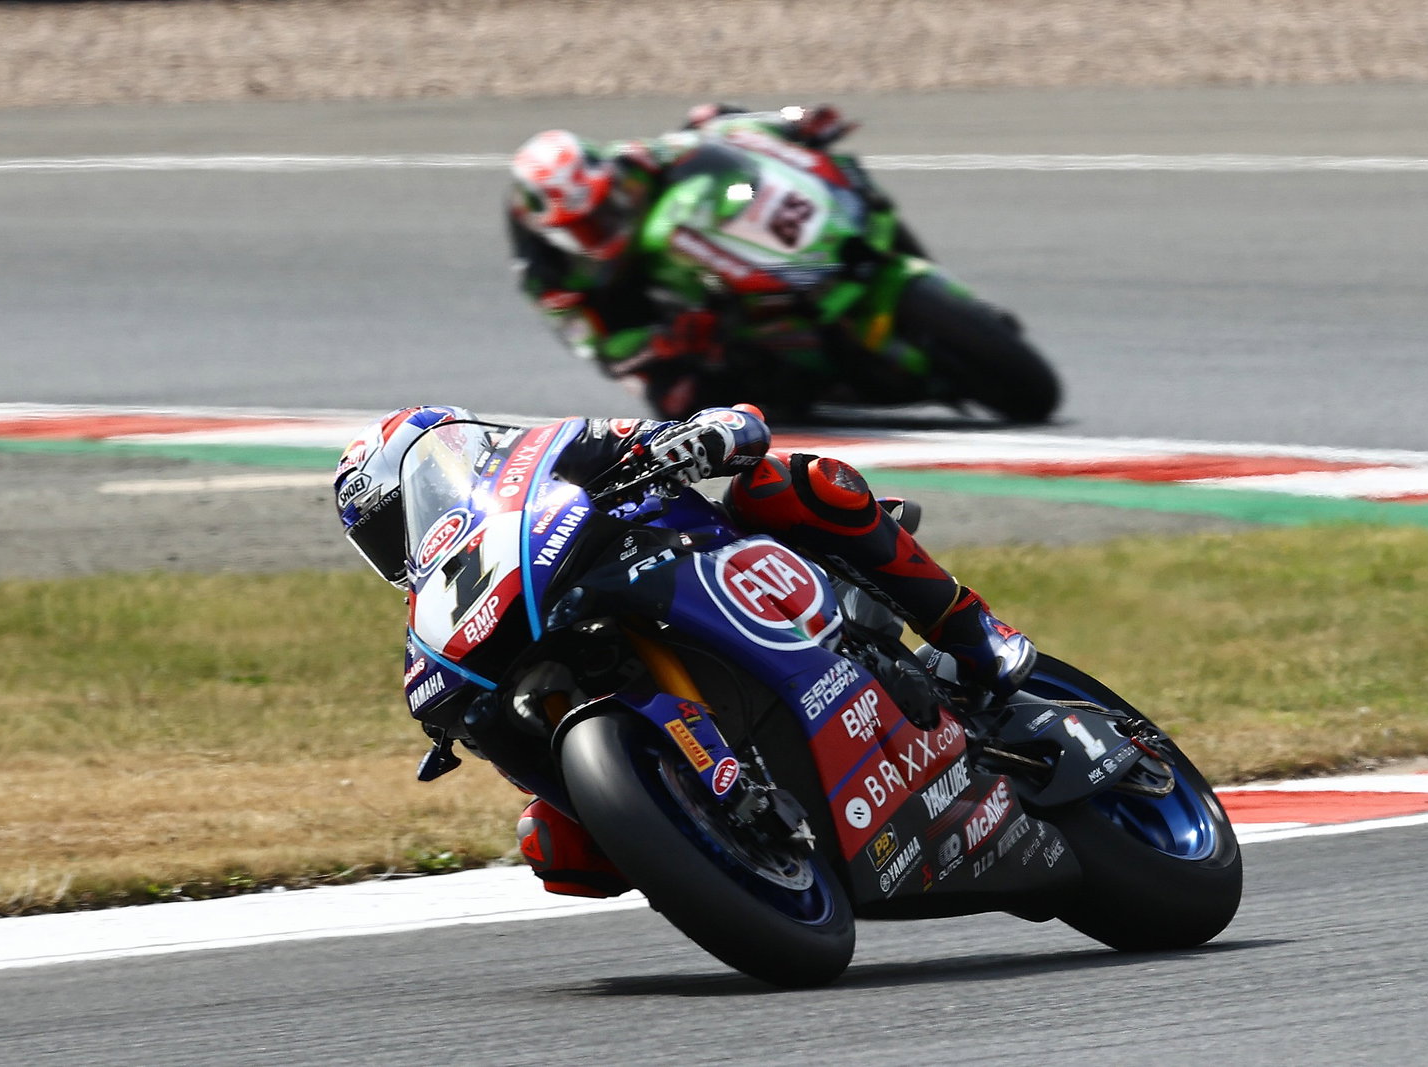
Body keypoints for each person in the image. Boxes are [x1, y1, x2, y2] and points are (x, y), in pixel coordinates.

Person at [334, 402, 1036, 898]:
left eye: (399, 512)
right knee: (555, 848)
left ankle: (975, 631)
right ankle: (711, 836)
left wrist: (696, 439)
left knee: (792, 482)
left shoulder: (540, 457)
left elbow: (734, 423)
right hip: (608, 664)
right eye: (379, 538)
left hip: (699, 556)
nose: (399, 540)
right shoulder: (434, 613)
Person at [505, 103, 870, 421]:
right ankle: (780, 396)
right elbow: (599, 349)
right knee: (681, 403)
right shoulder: (547, 278)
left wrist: (790, 121)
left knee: (712, 116)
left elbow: (702, 139)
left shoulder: (628, 161)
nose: (604, 223)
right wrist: (659, 341)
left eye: (607, 204)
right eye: (585, 226)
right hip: (644, 317)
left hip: (683, 245)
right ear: (552, 231)